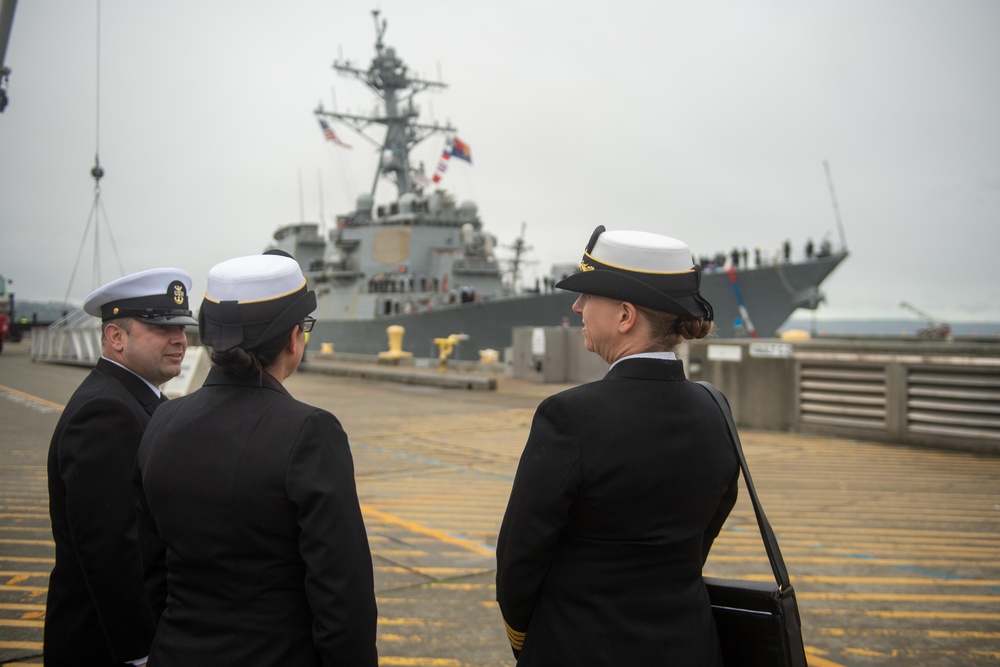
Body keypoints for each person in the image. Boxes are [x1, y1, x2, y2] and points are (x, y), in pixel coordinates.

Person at [496, 226, 740, 666]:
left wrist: (527, 639)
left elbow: (520, 555)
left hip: (579, 647)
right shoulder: (715, 408)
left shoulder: (568, 415)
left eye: (588, 296)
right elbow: (708, 525)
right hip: (689, 647)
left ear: (625, 316)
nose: (577, 307)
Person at [135, 252, 378, 666]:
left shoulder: (162, 419)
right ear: (291, 338)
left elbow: (152, 569)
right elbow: (342, 595)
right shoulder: (309, 432)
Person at [45, 268, 197, 667]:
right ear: (116, 337)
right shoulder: (106, 411)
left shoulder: (135, 401)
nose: (180, 339)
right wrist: (141, 652)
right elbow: (110, 552)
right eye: (161, 328)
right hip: (108, 645)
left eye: (181, 327)